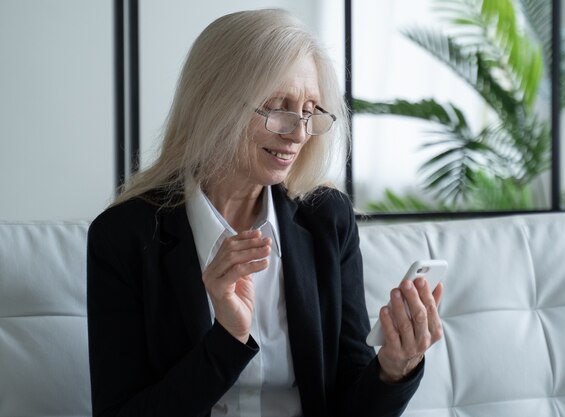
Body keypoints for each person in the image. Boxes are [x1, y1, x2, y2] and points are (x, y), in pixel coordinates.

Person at [87, 8, 443, 417]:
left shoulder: (327, 219)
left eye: (310, 112)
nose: (298, 134)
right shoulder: (123, 236)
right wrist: (227, 340)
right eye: (279, 108)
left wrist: (394, 369)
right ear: (215, 104)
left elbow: (349, 399)